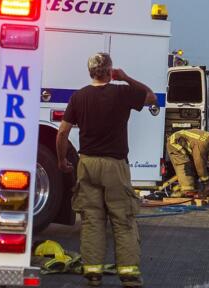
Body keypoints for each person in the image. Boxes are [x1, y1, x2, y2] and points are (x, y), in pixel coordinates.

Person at [55, 52, 156, 287]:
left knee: (92, 220)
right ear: (110, 71)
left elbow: (62, 132)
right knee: (123, 219)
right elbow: (151, 97)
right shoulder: (122, 92)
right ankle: (129, 274)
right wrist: (127, 77)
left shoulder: (78, 97)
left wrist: (61, 161)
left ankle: (92, 273)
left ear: (90, 72)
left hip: (87, 164)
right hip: (115, 166)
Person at [167, 128, 209, 194]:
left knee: (193, 169)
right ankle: (187, 190)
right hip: (175, 143)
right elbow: (200, 164)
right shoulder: (203, 143)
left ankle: (187, 188)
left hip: (185, 145)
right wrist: (206, 184)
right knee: (185, 166)